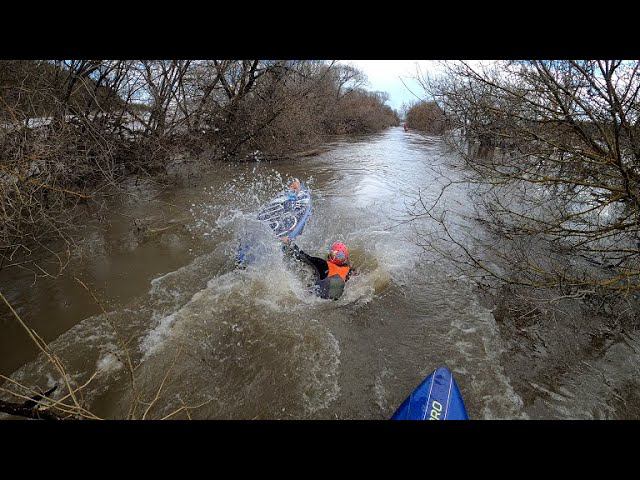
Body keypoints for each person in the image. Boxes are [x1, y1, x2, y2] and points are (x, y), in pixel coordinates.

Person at [282, 238, 355, 300]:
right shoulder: (350, 271)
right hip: (338, 298)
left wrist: (290, 243)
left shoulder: (323, 264)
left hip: (318, 298)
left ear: (330, 255)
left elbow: (304, 257)